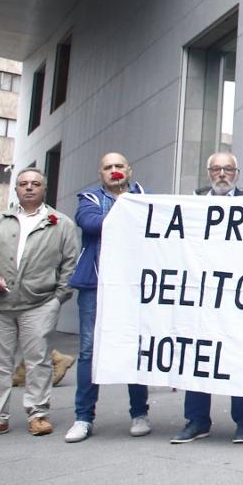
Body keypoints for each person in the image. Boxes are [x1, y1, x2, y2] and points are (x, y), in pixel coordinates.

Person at [0, 168, 79, 440]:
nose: (29, 188)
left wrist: (57, 299)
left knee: (38, 360)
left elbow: (70, 265)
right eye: (23, 184)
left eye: (35, 184)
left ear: (44, 189)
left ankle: (38, 414)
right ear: (16, 189)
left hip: (40, 302)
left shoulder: (60, 223)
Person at [171, 152, 243, 445]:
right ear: (208, 173)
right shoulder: (193, 205)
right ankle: (196, 420)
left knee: (242, 353)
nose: (222, 174)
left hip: (240, 294)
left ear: (238, 172)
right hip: (202, 294)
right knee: (197, 354)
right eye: (217, 169)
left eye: (228, 169)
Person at [65, 153, 151, 443]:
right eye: (108, 167)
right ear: (101, 174)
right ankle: (83, 417)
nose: (114, 171)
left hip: (135, 287)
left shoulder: (147, 198)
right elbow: (91, 225)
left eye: (119, 166)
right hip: (96, 285)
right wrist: (132, 213)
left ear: (130, 169)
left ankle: (139, 413)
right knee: (90, 350)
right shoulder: (89, 199)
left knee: (136, 345)